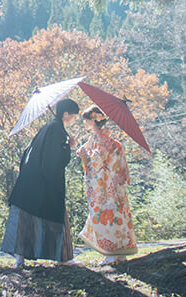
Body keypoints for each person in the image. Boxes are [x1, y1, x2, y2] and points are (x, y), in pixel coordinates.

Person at [2, 98, 80, 268]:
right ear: (65, 114)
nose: (75, 120)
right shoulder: (57, 130)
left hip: (29, 182)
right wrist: (69, 147)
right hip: (44, 184)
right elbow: (54, 160)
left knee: (26, 220)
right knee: (55, 216)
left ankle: (20, 258)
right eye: (74, 117)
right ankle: (64, 258)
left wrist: (65, 145)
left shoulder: (48, 128)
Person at [76, 105, 137, 264]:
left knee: (105, 217)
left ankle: (110, 254)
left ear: (92, 121)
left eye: (86, 121)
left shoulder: (99, 141)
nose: (84, 124)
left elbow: (95, 164)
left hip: (103, 187)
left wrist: (84, 157)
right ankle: (121, 253)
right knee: (118, 214)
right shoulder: (111, 141)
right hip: (116, 185)